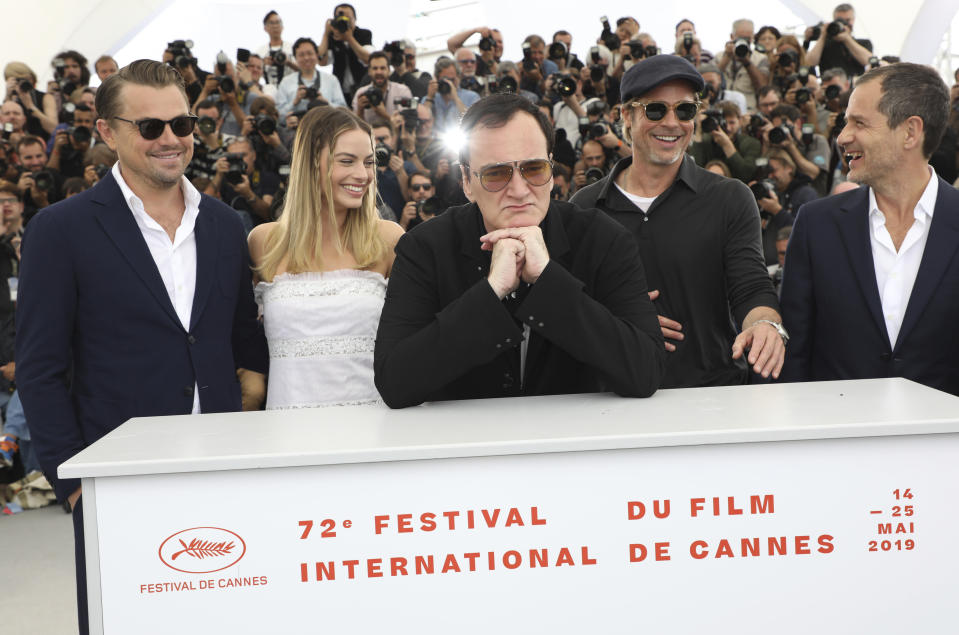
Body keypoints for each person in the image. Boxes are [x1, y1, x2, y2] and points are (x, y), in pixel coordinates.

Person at [15, 60, 268, 635]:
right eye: (149, 127)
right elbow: (39, 369)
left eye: (181, 123)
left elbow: (243, 345)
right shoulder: (60, 229)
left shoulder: (226, 225)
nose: (171, 139)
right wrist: (76, 486)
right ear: (107, 132)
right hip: (117, 481)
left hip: (223, 475)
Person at [374, 93, 665, 408]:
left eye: (534, 168)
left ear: (552, 171)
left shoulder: (604, 240)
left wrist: (548, 279)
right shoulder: (424, 247)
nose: (518, 189)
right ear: (466, 182)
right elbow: (395, 382)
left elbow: (644, 371)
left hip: (575, 445)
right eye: (496, 174)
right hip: (464, 446)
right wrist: (491, 291)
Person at [571, 55, 785, 388]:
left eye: (684, 110)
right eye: (655, 109)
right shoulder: (585, 207)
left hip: (713, 395)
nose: (672, 123)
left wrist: (765, 325)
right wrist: (626, 326)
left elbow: (751, 287)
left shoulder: (729, 197)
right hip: (612, 400)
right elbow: (573, 308)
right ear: (625, 116)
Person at [780, 62, 959, 396]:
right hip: (836, 438)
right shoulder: (816, 225)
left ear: (910, 132)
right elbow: (795, 351)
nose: (843, 137)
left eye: (859, 123)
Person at [248, 107, 403, 410]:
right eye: (347, 161)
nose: (363, 174)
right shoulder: (264, 241)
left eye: (369, 162)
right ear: (309, 165)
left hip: (373, 428)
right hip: (286, 431)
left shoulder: (388, 239)